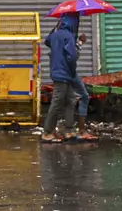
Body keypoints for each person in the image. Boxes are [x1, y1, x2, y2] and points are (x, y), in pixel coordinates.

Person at [40, 14, 97, 143]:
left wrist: (56, 27)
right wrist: (80, 43)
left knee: (70, 100)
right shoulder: (69, 37)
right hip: (65, 73)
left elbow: (47, 41)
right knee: (57, 102)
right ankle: (47, 132)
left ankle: (69, 130)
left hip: (58, 72)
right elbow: (72, 57)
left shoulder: (55, 35)